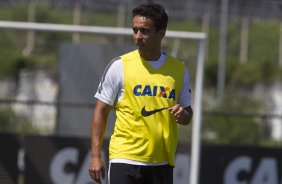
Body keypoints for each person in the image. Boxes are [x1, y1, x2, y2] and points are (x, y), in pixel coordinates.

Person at [89, 2, 193, 184]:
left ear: (161, 33)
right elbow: (100, 110)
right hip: (125, 158)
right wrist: (95, 156)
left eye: (144, 31)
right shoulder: (119, 66)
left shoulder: (178, 70)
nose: (137, 36)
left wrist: (182, 114)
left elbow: (187, 114)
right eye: (135, 30)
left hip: (161, 163)